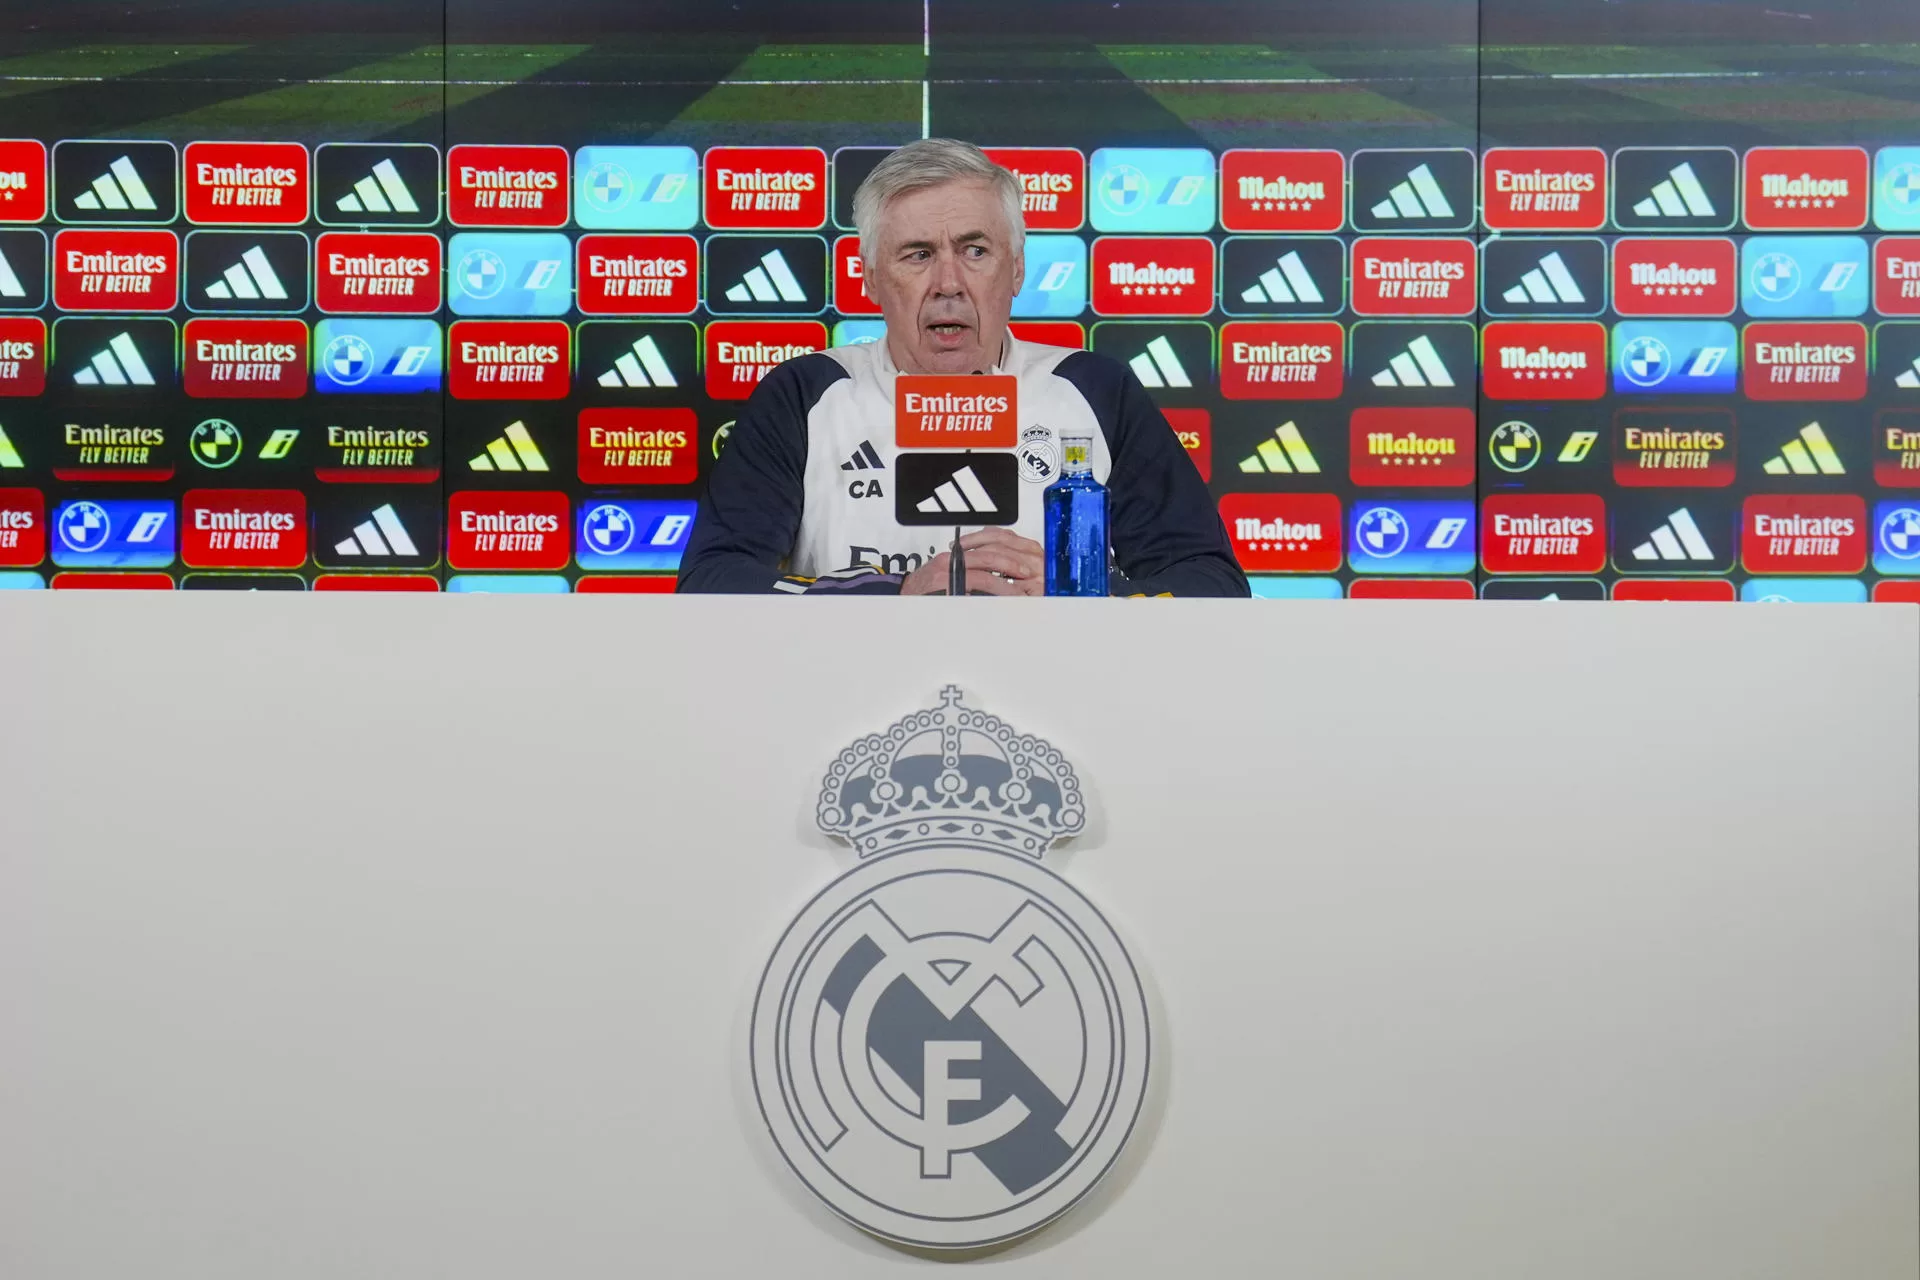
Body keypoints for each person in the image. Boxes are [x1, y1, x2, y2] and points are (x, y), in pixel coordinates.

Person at [675, 138, 1248, 597]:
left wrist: (1081, 596)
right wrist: (894, 593)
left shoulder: (1095, 389)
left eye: (976, 251)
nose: (949, 284)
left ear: (1017, 270)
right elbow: (712, 582)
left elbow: (1211, 586)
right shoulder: (804, 394)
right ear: (871, 276)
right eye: (918, 254)